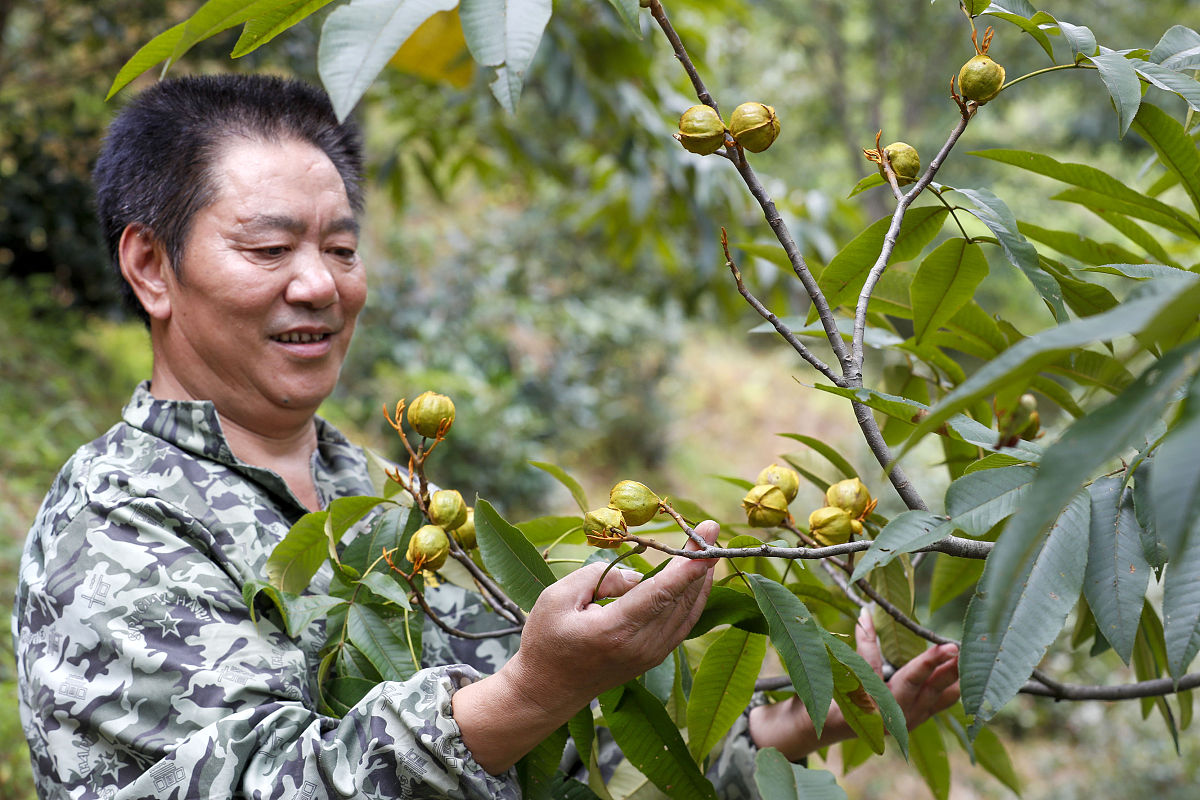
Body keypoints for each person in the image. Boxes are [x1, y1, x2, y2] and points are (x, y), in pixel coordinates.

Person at [12, 74, 959, 800]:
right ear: (151, 267)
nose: (320, 285)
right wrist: (531, 690)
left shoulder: (379, 490)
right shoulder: (117, 518)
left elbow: (533, 771)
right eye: (268, 249)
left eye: (341, 249)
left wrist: (784, 732)